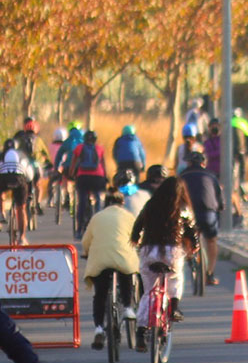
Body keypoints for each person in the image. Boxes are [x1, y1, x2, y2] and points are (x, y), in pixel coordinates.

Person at [130, 176, 199, 351]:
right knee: (175, 279)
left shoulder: (150, 205)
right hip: (172, 252)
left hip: (149, 251)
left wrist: (136, 239)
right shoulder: (183, 208)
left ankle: (140, 331)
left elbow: (138, 225)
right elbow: (192, 231)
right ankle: (174, 307)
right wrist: (195, 247)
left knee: (148, 292)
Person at [82, 187, 139, 350]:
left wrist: (86, 253)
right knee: (127, 271)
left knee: (100, 293)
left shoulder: (97, 217)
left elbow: (86, 241)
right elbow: (137, 237)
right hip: (122, 256)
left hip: (100, 259)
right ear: (122, 204)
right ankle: (128, 307)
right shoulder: (129, 216)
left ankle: (99, 328)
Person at [180, 150, 224, 285]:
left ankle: (191, 259)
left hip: (189, 213)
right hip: (208, 212)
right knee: (211, 241)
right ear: (203, 163)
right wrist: (220, 207)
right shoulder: (211, 175)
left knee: (186, 238)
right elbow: (218, 196)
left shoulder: (182, 176)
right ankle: (210, 273)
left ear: (188, 163)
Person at [69, 129, 108, 238]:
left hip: (83, 177)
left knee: (82, 201)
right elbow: (103, 164)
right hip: (97, 177)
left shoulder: (79, 148)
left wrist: (71, 174)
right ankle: (99, 224)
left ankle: (79, 229)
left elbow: (73, 162)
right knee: (98, 199)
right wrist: (105, 177)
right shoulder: (100, 148)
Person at [0, 138, 31, 245]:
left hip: (4, 178)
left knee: (1, 191)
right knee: (21, 208)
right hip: (19, 178)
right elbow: (29, 175)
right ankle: (22, 237)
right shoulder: (22, 155)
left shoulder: (1, 156)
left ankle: (2, 212)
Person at [14, 118, 51, 216]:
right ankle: (38, 203)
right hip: (36, 165)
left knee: (25, 184)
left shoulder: (20, 140)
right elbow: (46, 153)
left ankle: (26, 197)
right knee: (38, 184)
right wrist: (48, 162)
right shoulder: (39, 140)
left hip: (24, 166)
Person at [231, 107, 248, 199]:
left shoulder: (228, 122)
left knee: (231, 168)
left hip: (231, 151)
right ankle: (242, 185)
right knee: (242, 169)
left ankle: (232, 186)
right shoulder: (243, 122)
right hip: (241, 150)